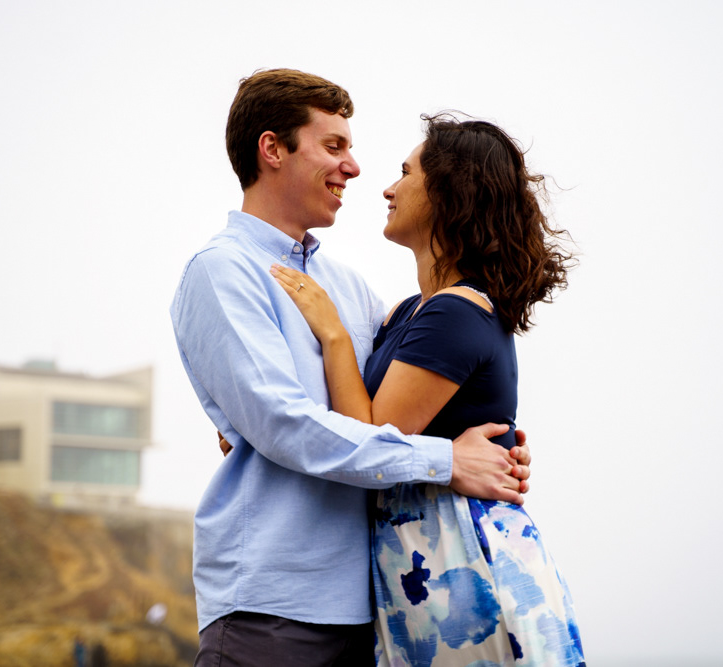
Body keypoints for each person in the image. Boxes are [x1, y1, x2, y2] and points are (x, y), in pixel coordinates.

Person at [170, 69, 532, 666]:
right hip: (273, 606)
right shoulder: (222, 270)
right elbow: (286, 426)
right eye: (334, 146)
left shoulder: (350, 288)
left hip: (376, 611)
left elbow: (385, 408)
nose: (355, 168)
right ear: (272, 149)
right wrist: (448, 461)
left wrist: (494, 449)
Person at [270, 114, 585, 665]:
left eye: (405, 172)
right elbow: (340, 410)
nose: (388, 189)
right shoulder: (412, 312)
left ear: (447, 193)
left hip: (461, 562)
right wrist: (258, 424)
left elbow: (369, 437)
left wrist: (333, 333)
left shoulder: (454, 312)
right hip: (427, 560)